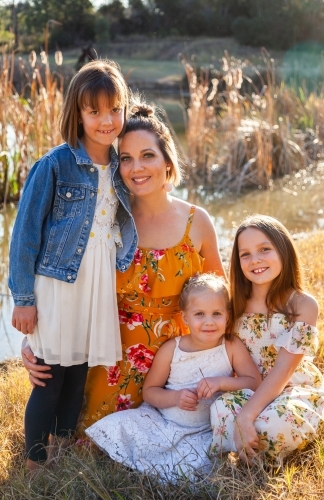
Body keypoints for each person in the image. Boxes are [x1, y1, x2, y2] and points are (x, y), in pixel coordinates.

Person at [20, 98, 226, 434]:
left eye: (148, 156)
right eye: (126, 159)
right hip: (111, 352)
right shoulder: (107, 219)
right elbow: (64, 278)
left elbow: (220, 298)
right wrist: (35, 342)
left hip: (182, 356)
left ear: (167, 162)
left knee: (193, 432)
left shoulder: (197, 222)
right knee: (95, 438)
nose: (136, 168)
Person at [9, 59, 137, 471]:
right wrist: (23, 298)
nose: (106, 120)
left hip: (97, 282)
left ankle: (62, 446)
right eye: (94, 111)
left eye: (114, 109)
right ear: (77, 113)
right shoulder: (55, 165)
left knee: (78, 371)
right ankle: (34, 462)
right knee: (51, 375)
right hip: (58, 284)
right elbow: (24, 236)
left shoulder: (122, 166)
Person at [85, 274, 261, 481]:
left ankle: (162, 467)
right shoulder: (172, 348)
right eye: (199, 314)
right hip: (165, 423)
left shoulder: (230, 346)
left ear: (228, 316)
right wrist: (175, 398)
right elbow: (150, 391)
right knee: (120, 424)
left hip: (205, 431)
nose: (209, 322)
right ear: (185, 318)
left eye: (217, 314)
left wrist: (221, 382)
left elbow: (254, 382)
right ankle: (137, 461)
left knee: (197, 468)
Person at [210, 215, 324, 465]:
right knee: (219, 411)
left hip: (291, 387)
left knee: (273, 424)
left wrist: (246, 416)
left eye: (265, 249)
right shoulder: (235, 304)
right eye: (245, 254)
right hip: (250, 387)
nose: (255, 260)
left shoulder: (302, 304)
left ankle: (253, 452)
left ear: (283, 249)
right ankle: (246, 446)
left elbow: (284, 370)